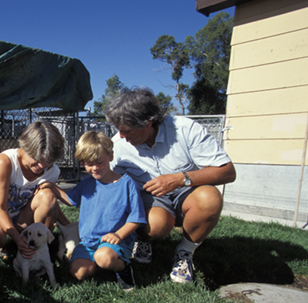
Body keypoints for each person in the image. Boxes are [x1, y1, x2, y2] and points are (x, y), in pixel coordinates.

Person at [105, 87, 236, 284]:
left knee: (210, 198)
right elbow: (110, 184)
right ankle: (144, 239)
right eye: (119, 130)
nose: (122, 136)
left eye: (127, 130)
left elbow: (227, 171)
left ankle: (185, 252)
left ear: (148, 122)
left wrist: (178, 179)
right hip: (151, 199)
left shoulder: (185, 129)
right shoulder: (119, 145)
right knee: (156, 225)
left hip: (187, 191)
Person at [39, 131, 146, 290]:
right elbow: (71, 200)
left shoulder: (126, 184)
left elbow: (136, 218)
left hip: (115, 241)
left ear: (110, 156)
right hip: (89, 242)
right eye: (88, 164)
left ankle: (123, 269)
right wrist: (53, 188)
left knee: (104, 257)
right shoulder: (87, 182)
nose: (94, 168)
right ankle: (102, 265)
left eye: (99, 162)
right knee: (78, 273)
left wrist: (119, 234)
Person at [0, 120, 67, 260]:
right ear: (25, 147)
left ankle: (40, 249)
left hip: (22, 214)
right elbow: (0, 208)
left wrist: (69, 229)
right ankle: (5, 242)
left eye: (48, 161)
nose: (42, 165)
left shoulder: (52, 171)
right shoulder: (6, 161)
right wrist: (17, 238)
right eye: (37, 158)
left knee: (47, 195)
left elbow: (50, 203)